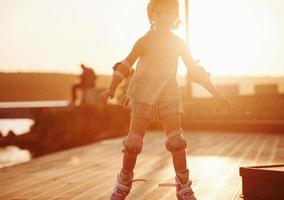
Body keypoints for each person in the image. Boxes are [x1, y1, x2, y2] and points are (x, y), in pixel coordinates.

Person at [98, 0, 230, 199]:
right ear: (152, 15)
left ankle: (184, 187)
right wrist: (110, 89)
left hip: (168, 95)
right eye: (160, 13)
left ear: (175, 17)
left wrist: (217, 95)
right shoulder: (144, 41)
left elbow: (195, 72)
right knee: (133, 144)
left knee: (177, 142)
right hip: (143, 95)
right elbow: (125, 65)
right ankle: (122, 186)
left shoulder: (179, 43)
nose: (164, 17)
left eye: (169, 13)